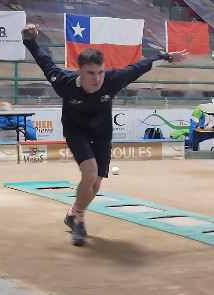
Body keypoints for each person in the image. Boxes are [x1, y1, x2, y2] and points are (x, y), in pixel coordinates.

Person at [22, 23, 187, 246]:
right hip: (75, 129)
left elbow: (141, 66)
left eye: (100, 72)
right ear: (79, 70)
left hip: (102, 132)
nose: (97, 79)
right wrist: (29, 40)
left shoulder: (112, 80)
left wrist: (166, 57)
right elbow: (45, 61)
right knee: (89, 173)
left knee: (96, 184)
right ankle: (79, 220)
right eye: (91, 73)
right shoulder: (63, 82)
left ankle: (73, 214)